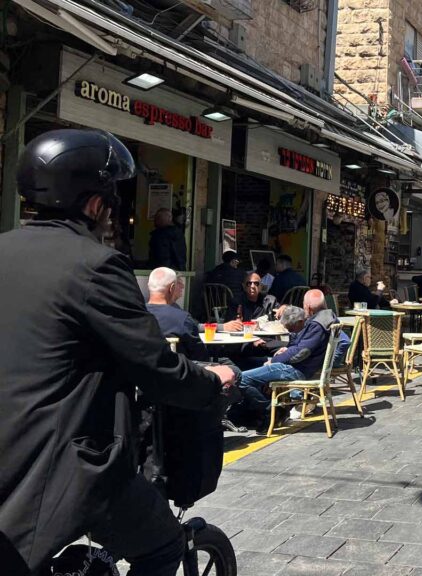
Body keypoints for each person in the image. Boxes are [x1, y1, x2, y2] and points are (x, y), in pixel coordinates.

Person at [0, 129, 234, 576]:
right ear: (93, 204)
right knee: (163, 545)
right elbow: (156, 366)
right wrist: (213, 380)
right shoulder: (96, 265)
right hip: (64, 467)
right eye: (112, 203)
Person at [232, 291, 335, 424]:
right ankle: (257, 410)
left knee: (241, 379)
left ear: (308, 307)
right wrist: (286, 350)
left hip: (296, 370)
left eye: (303, 305)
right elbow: (300, 347)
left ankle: (271, 411)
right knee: (248, 363)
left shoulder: (317, 325)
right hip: (300, 366)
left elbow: (301, 352)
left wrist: (273, 361)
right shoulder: (326, 318)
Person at [147, 267, 209, 362]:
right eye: (179, 284)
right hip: (180, 371)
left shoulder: (135, 314)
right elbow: (201, 356)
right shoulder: (181, 318)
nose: (183, 286)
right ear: (171, 288)